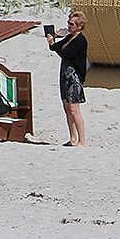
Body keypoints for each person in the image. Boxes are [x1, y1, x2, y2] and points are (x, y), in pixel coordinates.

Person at [46, 10, 88, 147]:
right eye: (68, 23)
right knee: (67, 108)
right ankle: (73, 138)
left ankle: (83, 140)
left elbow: (66, 53)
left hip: (74, 78)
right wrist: (53, 39)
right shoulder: (69, 37)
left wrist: (55, 43)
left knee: (74, 109)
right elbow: (55, 48)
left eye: (71, 24)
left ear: (79, 26)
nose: (69, 26)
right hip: (65, 75)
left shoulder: (81, 40)